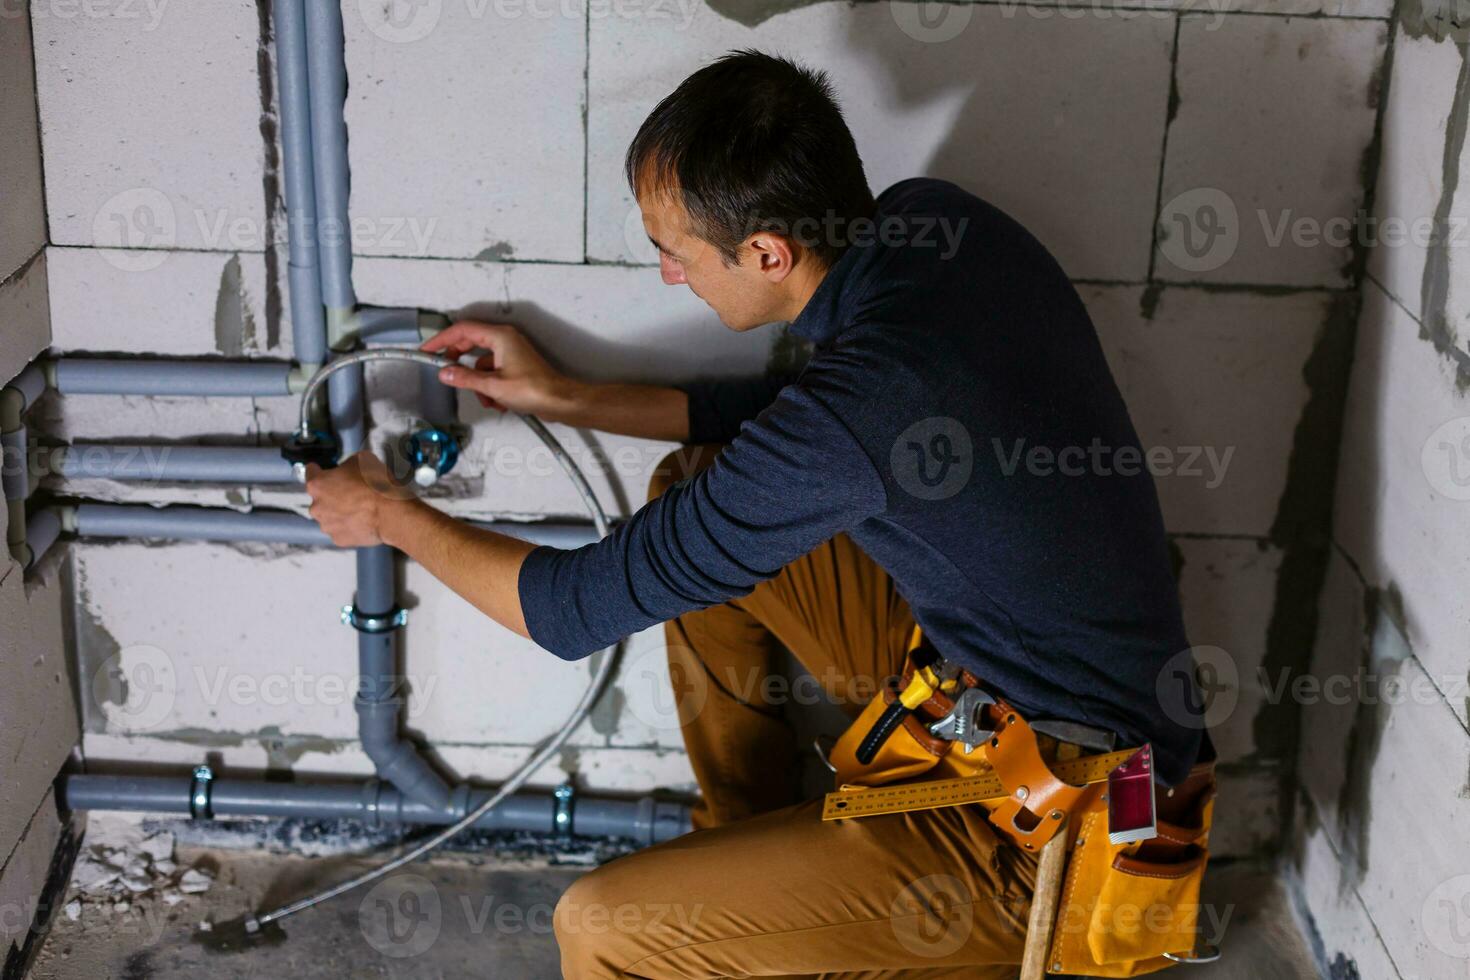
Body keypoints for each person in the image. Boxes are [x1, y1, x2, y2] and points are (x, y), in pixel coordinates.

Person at [306, 49, 1205, 979]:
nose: (666, 273)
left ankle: (746, 927)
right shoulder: (936, 223)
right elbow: (775, 423)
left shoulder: (868, 403)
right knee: (692, 481)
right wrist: (563, 394)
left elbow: (568, 610)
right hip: (984, 691)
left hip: (1060, 835)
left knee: (603, 926)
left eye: (675, 250)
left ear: (769, 252)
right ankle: (745, 865)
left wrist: (389, 515)